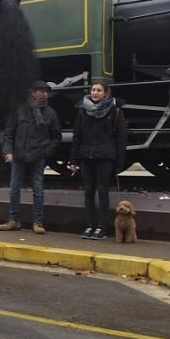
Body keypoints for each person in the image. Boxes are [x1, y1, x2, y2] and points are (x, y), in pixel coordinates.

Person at [0, 81, 62, 234]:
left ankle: (38, 222)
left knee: (38, 189)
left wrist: (47, 152)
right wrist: (7, 151)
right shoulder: (19, 110)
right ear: (33, 92)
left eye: (46, 91)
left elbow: (56, 136)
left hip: (38, 155)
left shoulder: (50, 113)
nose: (45, 94)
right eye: (41, 91)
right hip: (19, 155)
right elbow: (9, 133)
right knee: (14, 189)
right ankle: (14, 220)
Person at [68, 80, 127, 240]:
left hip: (105, 155)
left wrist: (119, 163)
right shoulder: (81, 112)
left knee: (102, 191)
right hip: (86, 155)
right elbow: (77, 137)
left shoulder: (115, 112)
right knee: (88, 191)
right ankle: (89, 225)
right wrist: (73, 160)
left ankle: (101, 227)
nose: (95, 93)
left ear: (105, 93)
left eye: (99, 90)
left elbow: (121, 139)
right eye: (93, 90)